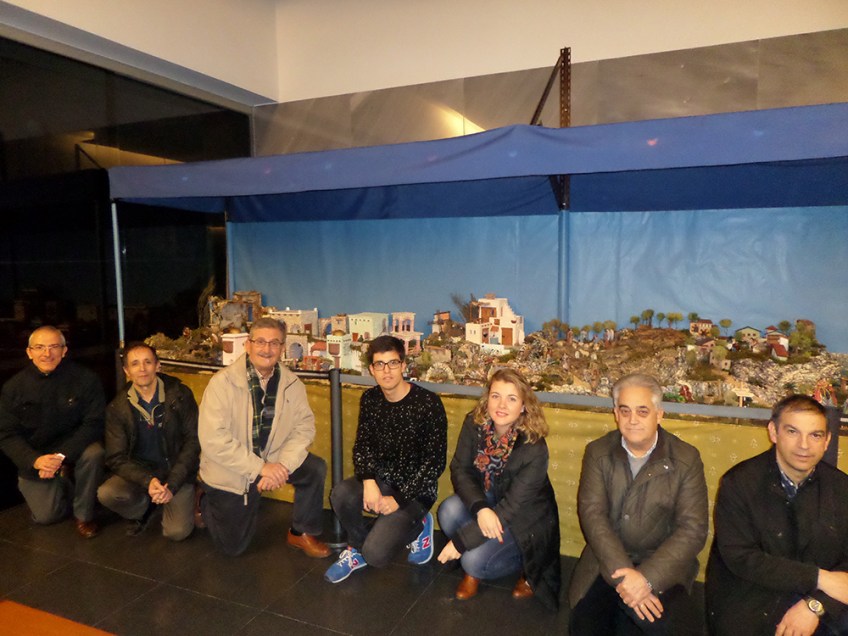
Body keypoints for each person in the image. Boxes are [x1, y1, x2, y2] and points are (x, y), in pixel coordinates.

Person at [568, 372, 708, 635]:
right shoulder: (598, 452)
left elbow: (693, 529)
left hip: (663, 565)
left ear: (659, 414)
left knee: (678, 630)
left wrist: (646, 579)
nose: (632, 420)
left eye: (642, 411)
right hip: (606, 562)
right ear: (616, 413)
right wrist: (628, 580)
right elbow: (593, 516)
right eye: (625, 411)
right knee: (586, 628)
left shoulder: (686, 459)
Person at [706, 394, 848, 636]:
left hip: (819, 598)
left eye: (815, 435)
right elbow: (742, 557)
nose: (804, 445)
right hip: (753, 595)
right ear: (773, 432)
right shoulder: (739, 483)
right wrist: (819, 578)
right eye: (793, 432)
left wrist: (816, 605)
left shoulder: (841, 488)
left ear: (827, 441)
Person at [197, 317, 331, 557]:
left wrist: (282, 466)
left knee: (314, 468)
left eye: (274, 343)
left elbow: (304, 428)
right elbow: (213, 439)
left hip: (273, 458)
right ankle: (204, 500)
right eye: (260, 341)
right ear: (248, 345)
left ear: (282, 348)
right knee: (233, 548)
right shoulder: (222, 384)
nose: (266, 349)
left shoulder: (292, 384)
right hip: (232, 468)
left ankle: (301, 532)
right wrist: (260, 468)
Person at [324, 335, 447, 583]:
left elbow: (434, 464)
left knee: (377, 556)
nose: (386, 371)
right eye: (380, 364)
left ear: (403, 365)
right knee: (341, 494)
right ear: (372, 369)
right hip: (382, 479)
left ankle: (420, 525)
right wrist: (368, 481)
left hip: (415, 491)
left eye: (393, 363)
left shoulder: (428, 403)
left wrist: (399, 499)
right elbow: (363, 446)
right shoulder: (370, 400)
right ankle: (357, 547)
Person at [436, 368, 561, 610]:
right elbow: (460, 469)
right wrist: (481, 509)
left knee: (472, 560)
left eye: (511, 398)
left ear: (523, 406)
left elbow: (513, 507)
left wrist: (461, 543)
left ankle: (524, 564)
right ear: (487, 398)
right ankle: (482, 549)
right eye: (496, 396)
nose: (501, 405)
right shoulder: (475, 423)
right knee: (448, 511)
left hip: (524, 519)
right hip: (488, 499)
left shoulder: (534, 447)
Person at [0, 326, 105, 538]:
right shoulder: (13, 387)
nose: (47, 353)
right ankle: (65, 483)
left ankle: (84, 515)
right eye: (40, 347)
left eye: (54, 347)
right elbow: (6, 434)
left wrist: (61, 456)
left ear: (64, 350)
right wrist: (34, 460)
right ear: (29, 352)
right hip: (36, 455)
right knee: (47, 517)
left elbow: (94, 423)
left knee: (95, 453)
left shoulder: (86, 379)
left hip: (74, 448)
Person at [97, 342, 199, 540]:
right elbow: (116, 457)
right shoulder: (117, 408)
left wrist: (173, 484)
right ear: (127, 371)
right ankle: (144, 509)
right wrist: (148, 480)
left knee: (176, 532)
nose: (142, 369)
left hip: (177, 472)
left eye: (148, 362)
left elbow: (193, 441)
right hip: (142, 473)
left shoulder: (180, 395)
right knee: (108, 493)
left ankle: (187, 496)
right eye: (135, 364)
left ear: (158, 365)